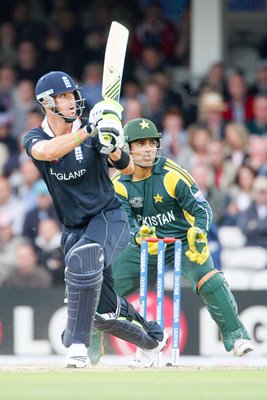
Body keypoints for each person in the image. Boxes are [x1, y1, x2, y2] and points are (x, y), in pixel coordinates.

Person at [22, 71, 168, 368]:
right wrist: (89, 130)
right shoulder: (36, 137)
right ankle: (153, 339)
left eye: (71, 95)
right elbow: (49, 151)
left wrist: (112, 146)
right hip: (72, 228)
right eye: (62, 97)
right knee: (101, 313)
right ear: (47, 103)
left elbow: (128, 170)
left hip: (109, 217)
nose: (71, 101)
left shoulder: (93, 132)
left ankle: (76, 345)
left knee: (86, 259)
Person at [89, 118, 254, 366]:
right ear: (127, 148)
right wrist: (138, 235)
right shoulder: (120, 184)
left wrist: (199, 232)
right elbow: (126, 221)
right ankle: (91, 338)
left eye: (151, 143)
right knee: (102, 289)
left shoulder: (172, 174)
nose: (147, 149)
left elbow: (202, 210)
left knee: (210, 279)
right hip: (145, 245)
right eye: (140, 144)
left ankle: (236, 335)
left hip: (183, 241)